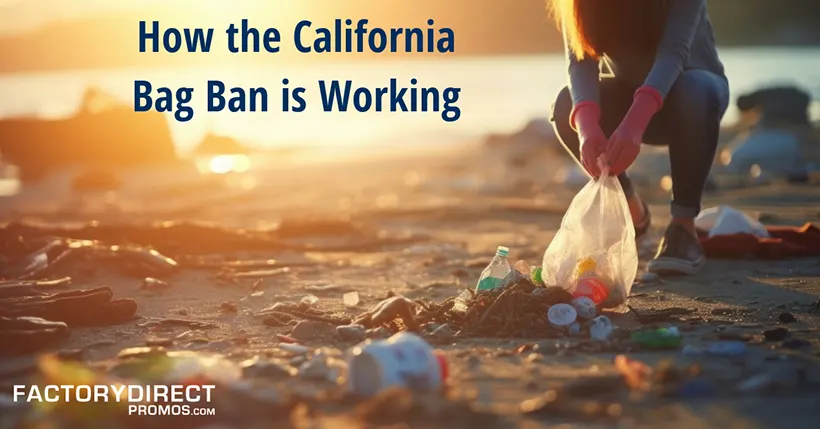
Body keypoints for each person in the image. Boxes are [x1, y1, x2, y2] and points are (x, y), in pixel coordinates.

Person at [549, 0, 729, 275]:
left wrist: (634, 123)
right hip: (628, 96)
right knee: (566, 105)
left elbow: (674, 53)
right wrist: (587, 129)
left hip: (693, 98)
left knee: (694, 90)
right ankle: (633, 213)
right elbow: (579, 58)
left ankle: (683, 227)